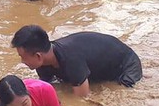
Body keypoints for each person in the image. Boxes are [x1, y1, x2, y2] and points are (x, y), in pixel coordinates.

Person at [11, 25, 143, 97]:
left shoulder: (71, 60)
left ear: (38, 56)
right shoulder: (43, 61)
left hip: (127, 66)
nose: (22, 61)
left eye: (22, 56)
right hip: (100, 66)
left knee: (121, 94)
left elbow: (82, 100)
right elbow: (47, 87)